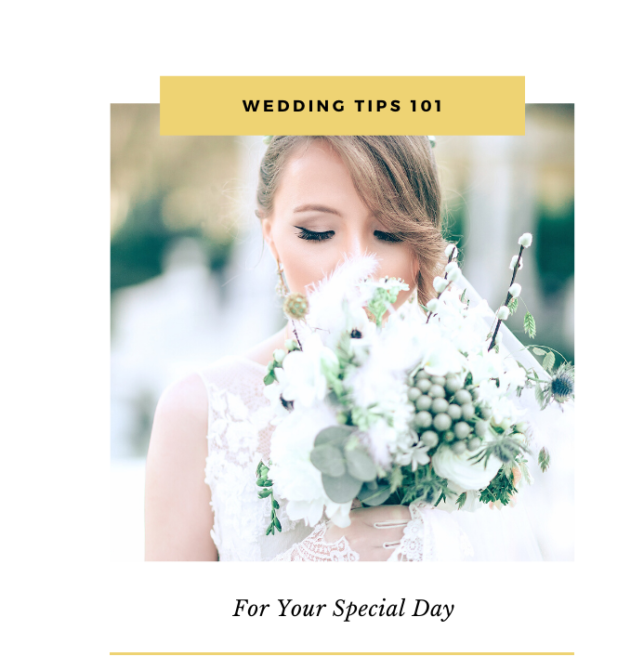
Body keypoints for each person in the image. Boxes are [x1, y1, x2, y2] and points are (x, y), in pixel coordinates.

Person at [145, 136, 547, 562]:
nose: (356, 263)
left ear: (420, 251)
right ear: (272, 236)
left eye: (388, 233)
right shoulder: (199, 413)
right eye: (317, 233)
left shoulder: (464, 400)